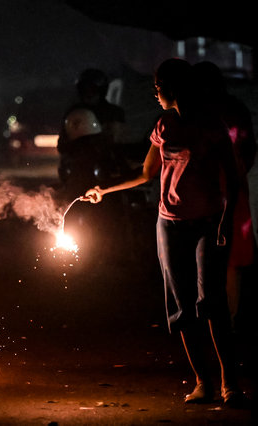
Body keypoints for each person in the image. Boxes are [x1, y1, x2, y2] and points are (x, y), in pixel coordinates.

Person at [84, 58, 244, 406]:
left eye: (158, 88)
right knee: (182, 304)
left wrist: (225, 221)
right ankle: (205, 382)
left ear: (173, 89)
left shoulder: (211, 127)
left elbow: (232, 179)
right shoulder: (164, 125)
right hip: (169, 224)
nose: (155, 94)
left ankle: (231, 384)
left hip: (208, 222)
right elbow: (146, 174)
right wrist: (104, 190)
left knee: (212, 302)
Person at [193, 61, 257, 332]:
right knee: (229, 260)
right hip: (227, 190)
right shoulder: (233, 108)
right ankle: (224, 321)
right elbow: (250, 149)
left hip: (211, 192)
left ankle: (216, 322)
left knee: (211, 257)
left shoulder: (196, 111)